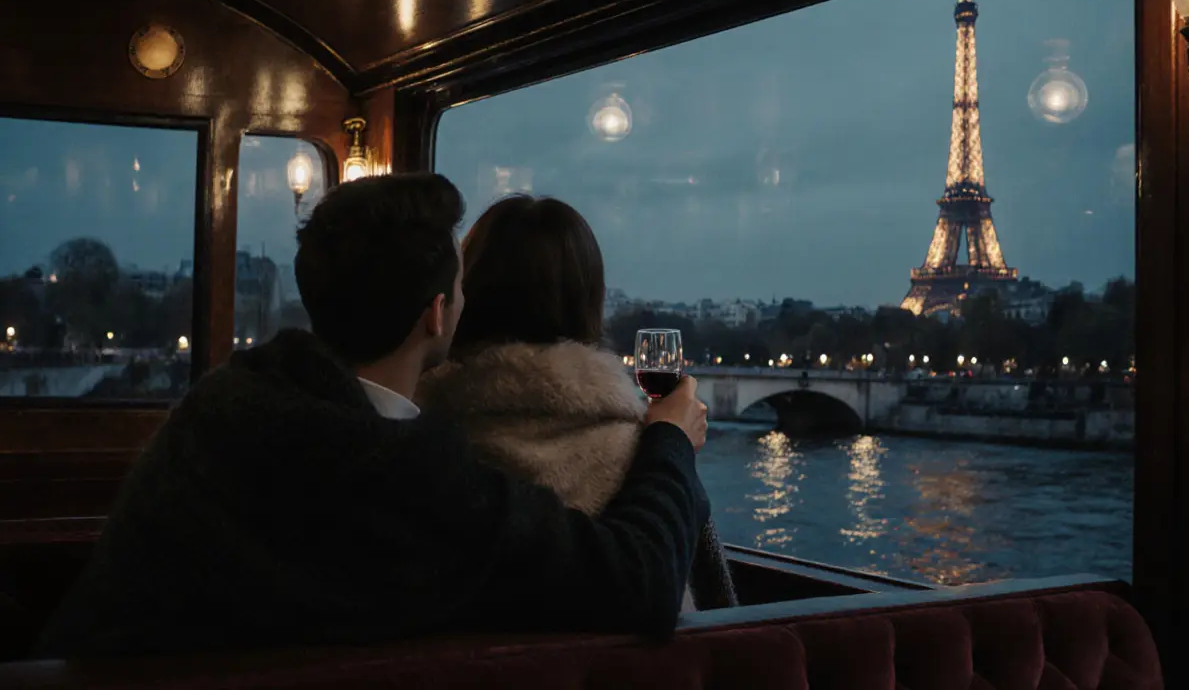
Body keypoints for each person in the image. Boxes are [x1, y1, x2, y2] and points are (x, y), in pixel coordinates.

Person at [36, 173, 709, 658]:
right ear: (438, 312)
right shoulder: (409, 475)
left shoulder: (222, 406)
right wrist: (670, 437)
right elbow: (641, 579)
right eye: (460, 285)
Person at [416, 195, 736, 611]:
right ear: (589, 302)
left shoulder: (423, 439)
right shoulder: (642, 456)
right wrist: (671, 441)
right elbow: (702, 598)